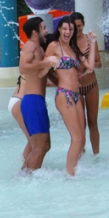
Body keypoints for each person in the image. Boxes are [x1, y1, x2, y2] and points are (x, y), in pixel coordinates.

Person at [46, 16, 90, 176]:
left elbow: (85, 68)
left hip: (76, 94)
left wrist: (92, 44)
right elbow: (43, 71)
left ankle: (76, 170)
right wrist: (52, 76)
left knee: (82, 140)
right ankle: (70, 176)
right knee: (77, 138)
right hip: (65, 94)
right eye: (65, 28)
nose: (68, 32)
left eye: (70, 29)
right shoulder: (53, 46)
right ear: (59, 29)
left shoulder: (72, 48)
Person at [17, 17, 60, 172]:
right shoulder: (30, 46)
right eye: (43, 28)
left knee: (44, 145)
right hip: (32, 101)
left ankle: (24, 175)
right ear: (35, 32)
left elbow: (44, 74)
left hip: (36, 101)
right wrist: (45, 63)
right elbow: (23, 68)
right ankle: (28, 179)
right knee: (41, 146)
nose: (47, 30)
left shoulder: (40, 49)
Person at [71, 12, 102, 156]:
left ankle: (96, 155)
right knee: (80, 125)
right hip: (75, 88)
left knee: (93, 123)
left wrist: (85, 67)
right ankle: (81, 154)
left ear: (83, 25)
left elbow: (99, 63)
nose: (77, 29)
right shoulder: (68, 43)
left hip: (91, 85)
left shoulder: (90, 40)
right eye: (74, 27)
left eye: (79, 26)